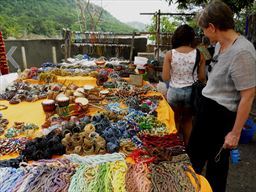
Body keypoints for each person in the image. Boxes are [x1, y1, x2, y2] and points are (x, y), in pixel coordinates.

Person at [187, 1, 256, 192]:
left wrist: (235, 133)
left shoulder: (242, 52)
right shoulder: (219, 45)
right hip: (206, 111)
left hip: (221, 117)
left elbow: (248, 96)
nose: (204, 33)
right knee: (193, 162)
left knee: (216, 169)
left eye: (204, 29)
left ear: (212, 27)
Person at [162, 24, 206, 146]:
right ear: (192, 38)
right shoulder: (199, 54)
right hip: (192, 93)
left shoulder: (170, 54)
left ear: (176, 37)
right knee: (187, 121)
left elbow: (165, 77)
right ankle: (188, 149)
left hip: (174, 91)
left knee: (174, 120)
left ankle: (175, 149)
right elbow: (202, 78)